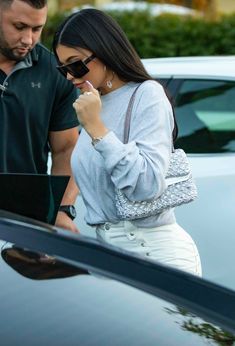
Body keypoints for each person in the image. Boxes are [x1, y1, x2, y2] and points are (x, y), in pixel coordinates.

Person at [52, 8, 202, 276]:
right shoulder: (93, 102)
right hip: (111, 257)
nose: (69, 76)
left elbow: (146, 185)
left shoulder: (147, 95)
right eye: (62, 67)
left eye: (75, 65)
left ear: (104, 50)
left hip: (156, 255)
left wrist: (96, 128)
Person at [0, 0, 80, 232]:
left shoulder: (55, 73)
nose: (28, 39)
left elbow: (67, 149)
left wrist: (63, 210)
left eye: (37, 29)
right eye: (19, 26)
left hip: (25, 219)